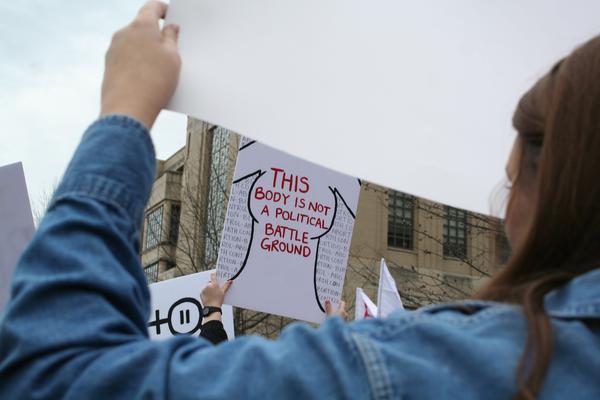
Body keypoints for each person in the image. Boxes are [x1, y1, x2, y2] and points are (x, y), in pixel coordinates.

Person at [0, 1, 599, 398]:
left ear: (558, 192)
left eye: (509, 180)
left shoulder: (461, 365)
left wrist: (123, 115)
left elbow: (58, 374)